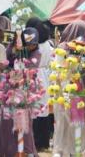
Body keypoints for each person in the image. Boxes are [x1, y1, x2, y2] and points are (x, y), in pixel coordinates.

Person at [52, 20, 85, 156]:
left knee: (78, 126)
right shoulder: (63, 47)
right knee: (64, 125)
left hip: (81, 90)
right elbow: (58, 71)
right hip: (65, 90)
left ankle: (75, 152)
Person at [0, 27, 40, 157]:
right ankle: (8, 151)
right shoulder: (11, 48)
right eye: (28, 44)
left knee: (24, 123)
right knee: (8, 121)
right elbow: (5, 66)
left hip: (26, 91)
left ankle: (27, 151)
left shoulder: (37, 53)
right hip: (9, 90)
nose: (30, 47)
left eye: (33, 44)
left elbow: (31, 72)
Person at [26, 18, 53, 151]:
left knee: (34, 110)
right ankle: (44, 141)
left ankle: (34, 141)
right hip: (45, 77)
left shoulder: (33, 45)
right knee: (43, 109)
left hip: (34, 76)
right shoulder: (48, 44)